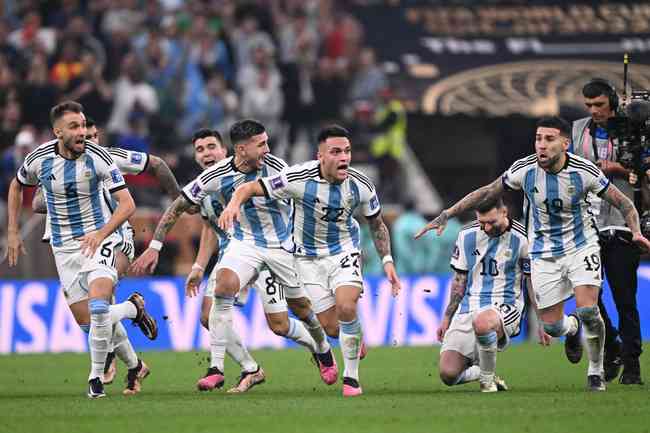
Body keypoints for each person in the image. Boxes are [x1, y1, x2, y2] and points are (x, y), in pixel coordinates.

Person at [416, 116, 650, 392]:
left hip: (581, 245)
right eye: (538, 138)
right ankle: (572, 328)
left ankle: (596, 370)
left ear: (565, 143)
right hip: (543, 252)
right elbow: (487, 191)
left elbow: (623, 203)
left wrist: (635, 231)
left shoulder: (584, 171)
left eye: (549, 139)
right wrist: (447, 214)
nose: (541, 145)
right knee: (552, 327)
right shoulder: (524, 169)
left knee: (588, 308)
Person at [131, 121, 336, 391]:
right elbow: (180, 208)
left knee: (286, 320)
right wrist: (158, 248)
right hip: (243, 245)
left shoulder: (276, 168)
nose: (267, 148)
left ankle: (321, 347)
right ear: (242, 149)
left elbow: (303, 202)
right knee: (219, 295)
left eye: (211, 147)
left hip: (280, 248)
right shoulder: (212, 179)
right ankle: (219, 368)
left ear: (227, 149)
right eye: (200, 149)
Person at [219, 124, 402, 397]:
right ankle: (351, 337)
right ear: (321, 156)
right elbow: (250, 188)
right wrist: (234, 204)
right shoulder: (297, 178)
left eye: (347, 151)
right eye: (336, 152)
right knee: (330, 327)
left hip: (344, 251)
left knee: (346, 305)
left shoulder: (361, 184)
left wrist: (387, 259)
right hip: (306, 260)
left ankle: (351, 379)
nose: (344, 158)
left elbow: (376, 224)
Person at [6, 101, 157, 399]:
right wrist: (12, 232)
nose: (82, 132)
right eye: (74, 127)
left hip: (99, 240)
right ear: (57, 131)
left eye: (84, 125)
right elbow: (16, 185)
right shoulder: (39, 158)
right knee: (90, 323)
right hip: (63, 249)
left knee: (99, 306)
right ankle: (132, 318)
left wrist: (100, 234)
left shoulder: (98, 156)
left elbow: (128, 205)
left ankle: (95, 380)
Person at [31, 115, 180, 393]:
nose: (91, 141)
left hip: (114, 238)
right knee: (91, 321)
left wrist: (178, 198)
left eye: (95, 135)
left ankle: (106, 364)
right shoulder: (52, 164)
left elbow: (156, 163)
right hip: (71, 245)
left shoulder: (108, 158)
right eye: (85, 136)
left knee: (99, 310)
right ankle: (135, 364)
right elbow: (37, 201)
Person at [437, 196, 550, 392]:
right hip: (469, 306)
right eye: (482, 223)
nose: (487, 228)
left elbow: (531, 281)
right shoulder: (466, 235)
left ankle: (486, 382)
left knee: (483, 322)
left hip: (505, 305)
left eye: (491, 222)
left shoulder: (523, 238)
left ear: (504, 212)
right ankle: (485, 373)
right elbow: (459, 281)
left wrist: (541, 320)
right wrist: (447, 317)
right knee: (448, 374)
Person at [571, 78, 643, 385]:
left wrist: (622, 171)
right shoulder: (578, 129)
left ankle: (632, 367)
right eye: (589, 105)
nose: (594, 110)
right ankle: (611, 341)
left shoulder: (635, 129)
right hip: (589, 225)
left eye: (599, 104)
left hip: (623, 225)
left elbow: (643, 172)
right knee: (588, 296)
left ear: (612, 101)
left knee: (625, 298)